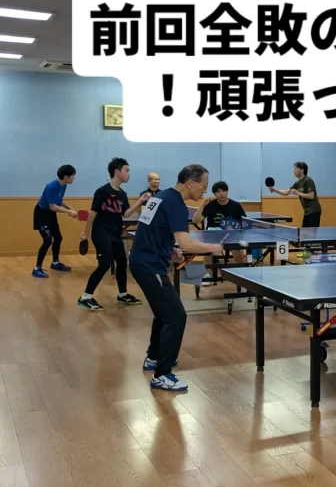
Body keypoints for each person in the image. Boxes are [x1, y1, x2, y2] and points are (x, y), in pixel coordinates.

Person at [129, 165, 224, 392]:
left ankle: (153, 357)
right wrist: (212, 248)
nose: (205, 190)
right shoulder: (177, 205)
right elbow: (187, 243)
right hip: (149, 265)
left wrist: (168, 249)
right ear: (190, 183)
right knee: (176, 316)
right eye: (204, 185)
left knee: (163, 313)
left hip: (143, 260)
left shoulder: (160, 197)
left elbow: (149, 229)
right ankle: (162, 375)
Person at [76, 158, 145, 311]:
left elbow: (126, 214)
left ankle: (122, 294)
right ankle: (85, 297)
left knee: (122, 262)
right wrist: (86, 233)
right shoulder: (102, 191)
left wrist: (139, 201)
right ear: (117, 172)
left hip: (115, 233)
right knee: (105, 264)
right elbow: (92, 214)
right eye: (126, 170)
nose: (129, 174)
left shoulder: (122, 194)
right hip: (101, 232)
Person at [192, 180, 247, 283]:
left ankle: (242, 272)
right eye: (218, 191)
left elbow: (245, 222)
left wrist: (235, 228)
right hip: (212, 235)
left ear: (227, 191)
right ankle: (208, 274)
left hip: (231, 235)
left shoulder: (235, 205)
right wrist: (203, 205)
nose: (221, 194)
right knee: (207, 249)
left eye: (223, 191)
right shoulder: (210, 205)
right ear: (214, 194)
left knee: (237, 249)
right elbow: (195, 220)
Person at [32, 164, 78, 278]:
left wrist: (69, 208)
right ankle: (37, 268)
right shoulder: (52, 186)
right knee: (47, 240)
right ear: (66, 177)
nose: (74, 178)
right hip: (42, 214)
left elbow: (58, 200)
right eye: (72, 176)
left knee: (58, 238)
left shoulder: (63, 185)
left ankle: (55, 263)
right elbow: (52, 206)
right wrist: (69, 212)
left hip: (50, 214)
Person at [269, 161, 321, 226]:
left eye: (296, 168)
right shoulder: (298, 183)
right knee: (304, 231)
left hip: (314, 210)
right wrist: (274, 190)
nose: (294, 170)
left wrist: (298, 192)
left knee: (311, 231)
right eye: (294, 168)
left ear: (302, 170)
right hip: (307, 212)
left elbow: (311, 196)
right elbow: (286, 193)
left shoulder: (308, 180)